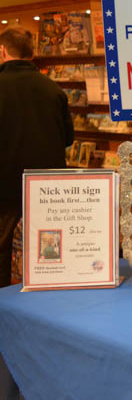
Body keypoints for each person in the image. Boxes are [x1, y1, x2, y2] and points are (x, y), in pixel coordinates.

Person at [0, 26, 74, 286]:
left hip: (5, 186)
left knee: (2, 248)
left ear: (2, 51)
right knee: (49, 245)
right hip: (48, 187)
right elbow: (68, 139)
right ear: (32, 53)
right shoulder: (54, 90)